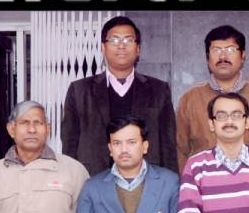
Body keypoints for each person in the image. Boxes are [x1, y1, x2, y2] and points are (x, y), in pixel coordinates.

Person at [61, 15, 177, 175]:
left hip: (146, 180)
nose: (121, 45)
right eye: (114, 40)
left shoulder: (159, 90)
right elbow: (69, 144)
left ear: (138, 48)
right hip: (93, 178)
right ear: (103, 47)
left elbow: (169, 146)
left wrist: (170, 182)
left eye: (128, 40)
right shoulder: (79, 90)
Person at [176, 24, 249, 165]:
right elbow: (181, 150)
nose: (223, 56)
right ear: (207, 57)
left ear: (243, 55)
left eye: (230, 50)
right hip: (204, 178)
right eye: (216, 50)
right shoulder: (190, 99)